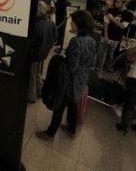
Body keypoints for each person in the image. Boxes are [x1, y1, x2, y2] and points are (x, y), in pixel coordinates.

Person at [36, 11, 96, 140]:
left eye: (72, 21)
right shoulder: (92, 41)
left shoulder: (76, 41)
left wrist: (62, 58)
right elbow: (92, 63)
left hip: (69, 81)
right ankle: (71, 129)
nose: (70, 23)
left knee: (60, 107)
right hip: (82, 79)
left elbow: (72, 66)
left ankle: (50, 133)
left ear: (79, 24)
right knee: (73, 104)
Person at [28, 1, 57, 103]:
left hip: (34, 55)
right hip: (43, 54)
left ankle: (31, 96)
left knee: (32, 75)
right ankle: (40, 91)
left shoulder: (35, 25)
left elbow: (31, 42)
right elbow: (55, 38)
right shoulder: (51, 23)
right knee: (38, 73)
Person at [102, 0, 133, 71]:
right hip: (105, 35)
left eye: (118, 2)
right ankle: (97, 67)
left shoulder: (128, 14)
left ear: (124, 4)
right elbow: (106, 23)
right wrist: (105, 35)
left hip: (116, 37)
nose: (116, 3)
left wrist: (112, 18)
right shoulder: (111, 10)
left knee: (111, 55)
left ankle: (108, 68)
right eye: (116, 1)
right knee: (100, 53)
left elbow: (122, 26)